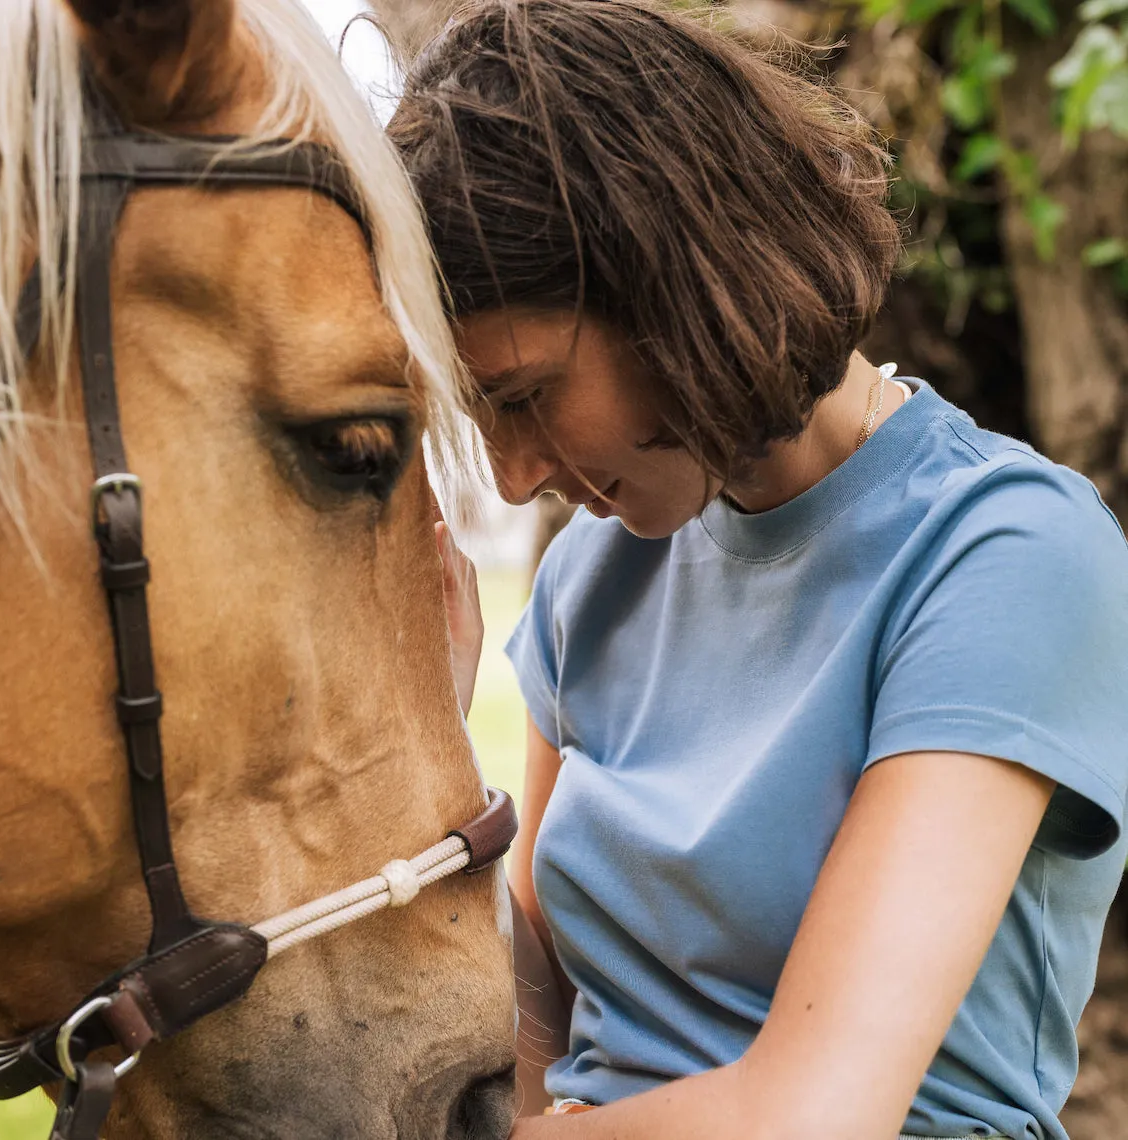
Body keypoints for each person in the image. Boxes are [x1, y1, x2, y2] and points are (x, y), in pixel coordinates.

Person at [391, 3, 1128, 1137]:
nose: (510, 478)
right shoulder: (595, 572)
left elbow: (813, 1114)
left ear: (672, 283)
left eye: (526, 395)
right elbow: (534, 1017)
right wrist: (424, 743)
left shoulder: (1005, 555)